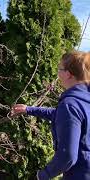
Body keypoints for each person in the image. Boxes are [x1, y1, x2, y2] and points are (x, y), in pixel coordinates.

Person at [11, 51, 90, 180]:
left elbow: (68, 156)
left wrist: (42, 175)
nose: (58, 73)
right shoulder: (84, 99)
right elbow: (63, 116)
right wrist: (29, 109)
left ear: (68, 74)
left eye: (60, 69)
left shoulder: (71, 105)